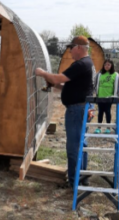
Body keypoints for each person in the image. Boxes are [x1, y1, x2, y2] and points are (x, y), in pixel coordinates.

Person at [36, 36, 94, 188]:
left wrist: (42, 73)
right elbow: (69, 85)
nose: (69, 51)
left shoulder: (80, 64)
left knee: (73, 146)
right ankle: (82, 177)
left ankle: (74, 182)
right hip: (82, 108)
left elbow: (59, 78)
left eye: (71, 48)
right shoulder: (87, 64)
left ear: (79, 48)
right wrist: (55, 84)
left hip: (76, 110)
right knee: (82, 143)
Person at [93, 60, 119, 134]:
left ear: (111, 66)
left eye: (108, 65)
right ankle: (99, 128)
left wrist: (115, 95)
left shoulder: (115, 75)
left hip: (109, 97)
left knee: (107, 112)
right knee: (100, 112)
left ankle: (108, 128)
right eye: (105, 65)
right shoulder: (100, 74)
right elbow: (95, 83)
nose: (107, 66)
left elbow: (117, 86)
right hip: (100, 96)